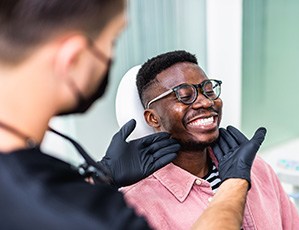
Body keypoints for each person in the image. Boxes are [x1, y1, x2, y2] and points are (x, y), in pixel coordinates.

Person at [0, 1, 266, 229]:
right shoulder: (95, 215)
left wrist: (100, 176)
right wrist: (234, 183)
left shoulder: (34, 187)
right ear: (74, 57)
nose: (204, 102)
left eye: (207, 89)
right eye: (111, 42)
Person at [120, 50, 299, 230]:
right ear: (153, 118)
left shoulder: (256, 169)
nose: (205, 102)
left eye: (208, 90)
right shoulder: (136, 206)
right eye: (184, 95)